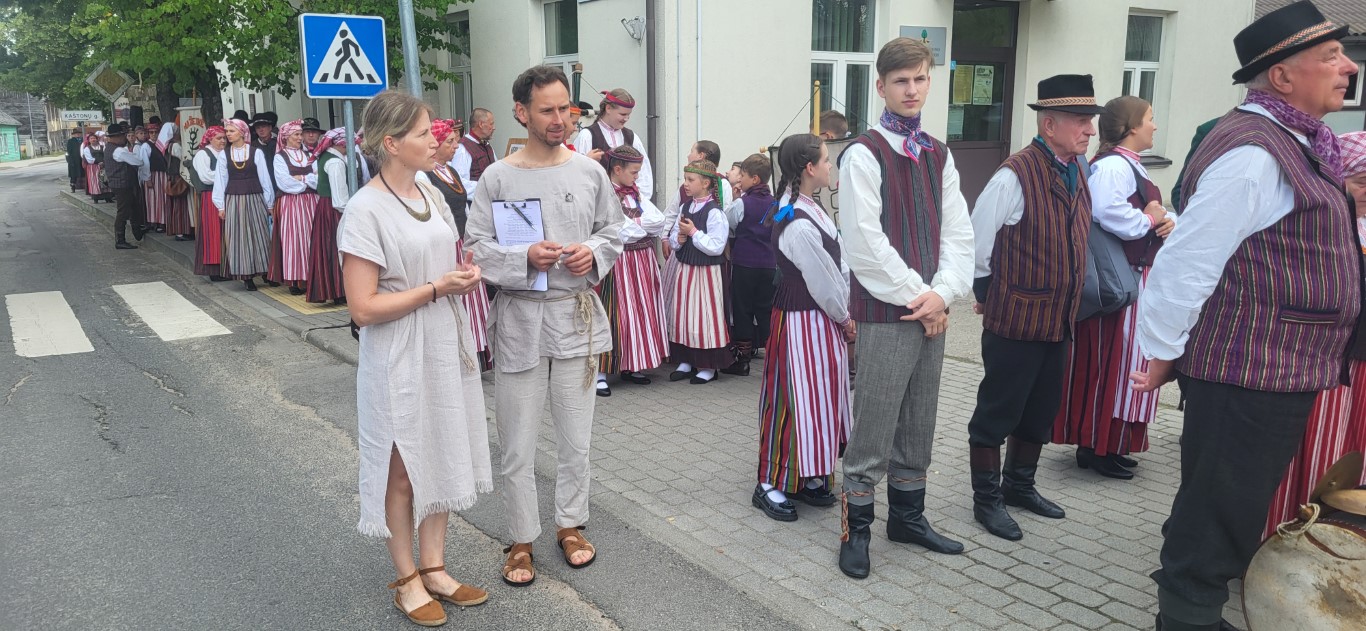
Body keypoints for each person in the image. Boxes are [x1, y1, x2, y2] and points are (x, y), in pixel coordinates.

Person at [1131, 4, 1361, 628]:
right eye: (1330, 57)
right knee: (1219, 509)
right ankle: (1186, 620)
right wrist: (1163, 349)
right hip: (1249, 367)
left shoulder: (1291, 140)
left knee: (1224, 500)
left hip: (1269, 365)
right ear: (1281, 77)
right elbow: (1188, 259)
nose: (1348, 67)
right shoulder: (1256, 152)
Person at [337, 89, 493, 627]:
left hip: (442, 338)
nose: (436, 140)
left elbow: (445, 256)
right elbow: (362, 308)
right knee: (402, 469)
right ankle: (406, 579)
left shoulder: (428, 188)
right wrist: (435, 288)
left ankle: (435, 568)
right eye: (425, 133)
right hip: (398, 349)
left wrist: (462, 275)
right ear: (391, 143)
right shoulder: (364, 210)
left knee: (442, 446)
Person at [466, 64, 625, 588]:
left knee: (576, 437)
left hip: (574, 316)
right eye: (547, 110)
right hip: (519, 318)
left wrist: (593, 252)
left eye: (566, 109)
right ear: (522, 112)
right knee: (517, 440)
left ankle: (570, 524)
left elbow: (614, 230)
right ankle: (520, 537)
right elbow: (475, 248)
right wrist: (523, 258)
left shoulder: (589, 172)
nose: (560, 120)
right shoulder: (497, 177)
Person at [836, 38, 976, 579]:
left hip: (930, 307)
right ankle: (857, 529)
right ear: (881, 86)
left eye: (919, 79)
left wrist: (944, 292)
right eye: (900, 81)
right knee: (875, 421)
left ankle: (907, 518)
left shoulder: (938, 152)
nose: (911, 89)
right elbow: (864, 243)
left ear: (929, 81)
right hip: (887, 311)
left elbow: (958, 231)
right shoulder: (863, 153)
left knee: (920, 418)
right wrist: (923, 297)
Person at [969, 74, 1102, 542]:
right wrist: (985, 294)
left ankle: (1019, 486)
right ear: (1049, 125)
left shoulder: (1079, 169)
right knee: (997, 412)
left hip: (1060, 320)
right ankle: (986, 499)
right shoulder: (1014, 174)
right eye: (1080, 121)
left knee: (1040, 411)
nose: (1090, 130)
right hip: (1015, 319)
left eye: (1091, 120)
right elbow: (978, 241)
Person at [1051, 96, 1176, 480]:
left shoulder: (1126, 164)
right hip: (1118, 279)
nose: (1155, 126)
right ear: (1132, 126)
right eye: (1150, 118)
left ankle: (1109, 443)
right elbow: (1106, 212)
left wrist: (1165, 220)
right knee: (1113, 363)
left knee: (1124, 362)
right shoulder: (1113, 167)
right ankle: (1097, 444)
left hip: (1131, 277)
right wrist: (1148, 220)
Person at [1261, 130, 1366, 539]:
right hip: (1328, 360)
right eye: (1362, 182)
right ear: (1339, 179)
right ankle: (1284, 532)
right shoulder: (1323, 226)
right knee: (1316, 450)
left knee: (1349, 454)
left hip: (1360, 361)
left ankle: (1335, 537)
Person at [753, 133, 853, 524]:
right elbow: (823, 279)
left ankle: (808, 473)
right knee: (793, 400)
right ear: (809, 168)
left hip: (814, 321)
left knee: (818, 398)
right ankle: (769, 483)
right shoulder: (797, 220)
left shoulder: (803, 205)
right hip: (802, 323)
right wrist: (845, 317)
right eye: (826, 160)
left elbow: (835, 266)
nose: (830, 166)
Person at [593, 145, 668, 396]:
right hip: (617, 262)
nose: (637, 177)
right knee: (613, 313)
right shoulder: (604, 195)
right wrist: (641, 225)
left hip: (641, 262)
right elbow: (621, 231)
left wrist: (638, 224)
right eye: (634, 172)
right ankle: (601, 372)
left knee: (639, 312)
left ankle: (633, 365)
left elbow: (658, 221)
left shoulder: (635, 194)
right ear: (617, 169)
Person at [419, 117, 493, 369]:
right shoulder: (423, 175)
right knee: (455, 296)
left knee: (472, 299)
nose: (455, 146)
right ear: (436, 144)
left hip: (460, 240)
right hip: (445, 244)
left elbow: (463, 206)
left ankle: (475, 350)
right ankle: (456, 354)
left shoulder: (449, 171)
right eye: (449, 141)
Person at [666, 159, 731, 385]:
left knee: (704, 317)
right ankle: (686, 360)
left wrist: (693, 232)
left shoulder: (714, 213)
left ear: (705, 183)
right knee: (683, 314)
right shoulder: (685, 207)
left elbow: (717, 246)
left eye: (690, 179)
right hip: (685, 269)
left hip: (706, 274)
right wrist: (679, 238)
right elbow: (674, 239)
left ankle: (708, 366)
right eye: (685, 179)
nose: (685, 183)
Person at [721, 153, 778, 377]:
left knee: (742, 309)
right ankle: (774, 359)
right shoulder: (777, 203)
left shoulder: (742, 203)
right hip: (770, 265)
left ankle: (742, 361)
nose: (739, 180)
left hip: (745, 264)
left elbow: (729, 224)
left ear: (754, 179)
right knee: (766, 310)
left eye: (742, 175)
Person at [213, 117, 275, 292]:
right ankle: (247, 276)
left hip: (255, 197)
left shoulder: (256, 152)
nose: (228, 134)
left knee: (260, 233)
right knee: (239, 236)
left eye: (231, 131)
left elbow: (264, 178)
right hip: (234, 198)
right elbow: (220, 180)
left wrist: (269, 203)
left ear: (242, 132)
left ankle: (265, 271)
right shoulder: (224, 155)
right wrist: (220, 205)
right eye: (227, 131)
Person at [574, 88, 654, 199]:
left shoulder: (631, 137)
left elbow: (644, 175)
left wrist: (636, 200)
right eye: (622, 114)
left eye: (628, 115)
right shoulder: (587, 136)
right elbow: (577, 174)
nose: (626, 118)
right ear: (608, 108)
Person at [273, 120, 320, 296]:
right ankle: (295, 279)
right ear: (286, 137)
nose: (300, 138)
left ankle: (312, 276)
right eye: (297, 135)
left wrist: (302, 178)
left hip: (312, 201)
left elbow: (319, 178)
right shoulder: (280, 157)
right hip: (292, 203)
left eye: (300, 134)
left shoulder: (309, 155)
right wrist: (307, 180)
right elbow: (284, 182)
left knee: (311, 238)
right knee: (294, 239)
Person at [307, 128, 353, 305]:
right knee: (336, 248)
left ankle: (334, 290)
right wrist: (350, 213)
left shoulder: (326, 157)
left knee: (328, 248)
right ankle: (339, 291)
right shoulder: (335, 163)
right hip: (333, 210)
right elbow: (340, 199)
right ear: (342, 144)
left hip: (325, 207)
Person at [191, 126, 229, 280]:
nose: (222, 141)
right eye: (219, 138)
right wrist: (227, 176)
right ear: (210, 139)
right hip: (210, 196)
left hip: (225, 195)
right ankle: (214, 269)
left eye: (224, 138)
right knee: (213, 230)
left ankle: (226, 266)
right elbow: (206, 177)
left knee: (225, 231)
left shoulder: (226, 153)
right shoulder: (203, 154)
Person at [102, 123, 146, 249]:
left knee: (133, 207)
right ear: (116, 137)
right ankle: (120, 240)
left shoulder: (109, 148)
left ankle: (137, 231)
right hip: (123, 184)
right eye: (122, 136)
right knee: (124, 211)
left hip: (118, 183)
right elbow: (138, 161)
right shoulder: (119, 151)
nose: (124, 138)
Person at [158, 123, 194, 241]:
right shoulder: (175, 146)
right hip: (178, 177)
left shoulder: (166, 145)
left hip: (172, 177)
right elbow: (184, 158)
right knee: (180, 205)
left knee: (176, 205)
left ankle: (179, 230)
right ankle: (181, 231)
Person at [452, 108, 496, 197]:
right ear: (481, 124)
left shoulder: (487, 145)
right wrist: (487, 188)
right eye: (491, 124)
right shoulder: (462, 148)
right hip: (475, 202)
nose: (494, 128)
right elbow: (459, 182)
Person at [81, 132, 107, 200]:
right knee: (95, 181)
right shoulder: (87, 149)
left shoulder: (102, 146)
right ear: (89, 140)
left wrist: (103, 162)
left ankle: (107, 196)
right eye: (91, 138)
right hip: (93, 167)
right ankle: (96, 197)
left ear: (97, 139)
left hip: (103, 166)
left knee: (105, 179)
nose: (93, 139)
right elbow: (89, 159)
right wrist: (97, 162)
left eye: (94, 138)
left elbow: (106, 155)